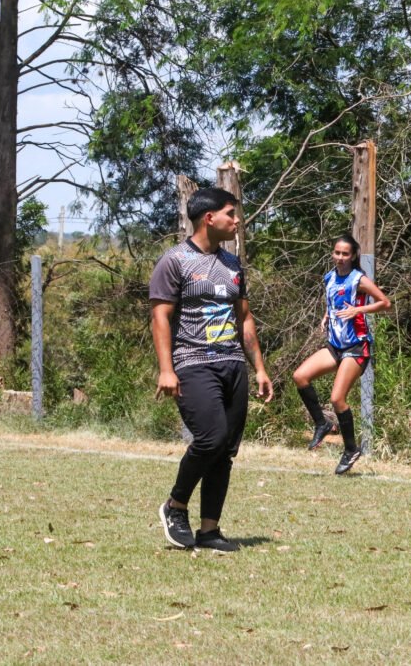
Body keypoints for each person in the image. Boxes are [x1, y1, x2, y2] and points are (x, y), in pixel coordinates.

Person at [150, 187, 272, 552]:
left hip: (233, 364)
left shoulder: (234, 265)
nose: (237, 222)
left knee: (226, 451)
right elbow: (160, 316)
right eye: (231, 214)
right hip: (192, 362)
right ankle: (175, 505)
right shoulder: (175, 261)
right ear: (209, 218)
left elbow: (244, 318)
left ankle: (209, 531)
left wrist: (260, 369)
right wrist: (166, 370)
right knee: (211, 438)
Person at [292, 234, 391, 475]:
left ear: (354, 255)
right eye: (337, 253)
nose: (340, 257)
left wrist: (359, 309)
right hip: (335, 344)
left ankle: (350, 449)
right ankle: (322, 423)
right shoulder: (329, 277)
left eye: (345, 254)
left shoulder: (359, 280)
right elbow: (333, 300)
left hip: (356, 346)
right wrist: (327, 315)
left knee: (338, 399)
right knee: (300, 376)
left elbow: (385, 303)